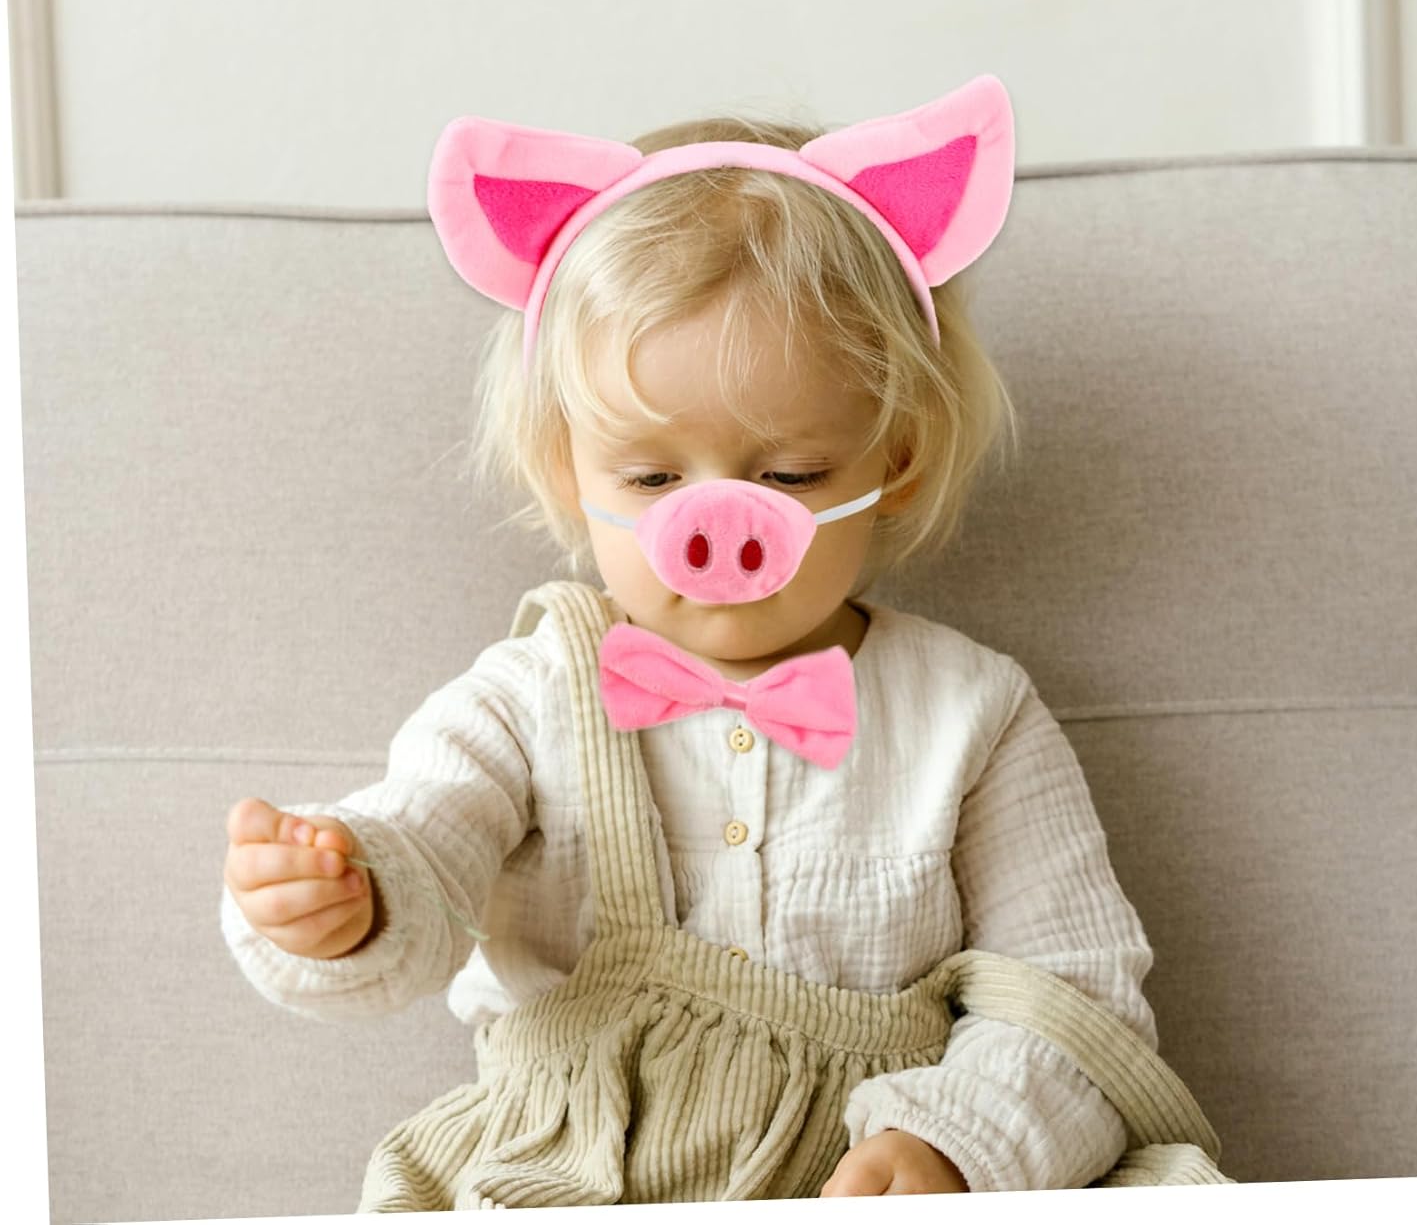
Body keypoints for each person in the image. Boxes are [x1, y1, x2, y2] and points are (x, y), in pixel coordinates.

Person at [220, 75, 1159, 1208]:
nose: (715, 530)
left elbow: (1075, 993)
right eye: (652, 478)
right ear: (569, 467)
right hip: (580, 1177)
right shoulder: (526, 699)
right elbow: (427, 841)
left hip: (864, 1185)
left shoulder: (974, 714)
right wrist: (348, 895)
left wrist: (955, 1146)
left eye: (791, 474)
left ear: (896, 458)